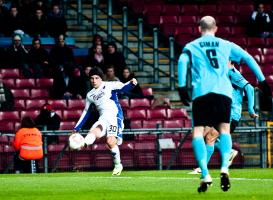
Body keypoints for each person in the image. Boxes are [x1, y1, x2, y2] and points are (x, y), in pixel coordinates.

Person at [177, 16, 271, 193]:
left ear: (199, 29)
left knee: (198, 133)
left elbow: (182, 61)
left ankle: (205, 173)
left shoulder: (192, 45)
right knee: (224, 130)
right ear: (216, 28)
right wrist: (263, 81)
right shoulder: (225, 44)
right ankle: (224, 169)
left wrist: (182, 86)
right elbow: (248, 57)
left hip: (201, 93)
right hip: (223, 93)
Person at [189, 62, 259, 175]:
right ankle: (227, 150)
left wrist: (251, 109)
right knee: (201, 135)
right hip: (219, 111)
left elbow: (249, 88)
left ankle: (202, 168)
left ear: (230, 61)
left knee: (210, 137)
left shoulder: (233, 74)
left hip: (231, 113)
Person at [70, 67, 137, 176]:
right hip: (103, 119)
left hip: (115, 118)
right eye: (92, 78)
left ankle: (118, 165)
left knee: (110, 142)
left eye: (97, 78)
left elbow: (124, 87)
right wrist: (76, 128)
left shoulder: (110, 85)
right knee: (93, 132)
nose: (94, 80)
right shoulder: (90, 95)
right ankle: (83, 144)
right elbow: (86, 111)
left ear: (101, 78)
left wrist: (132, 83)